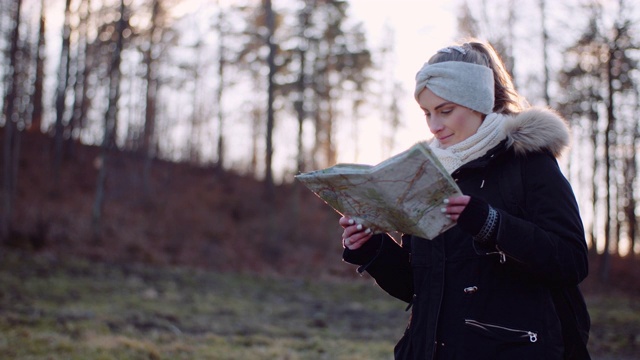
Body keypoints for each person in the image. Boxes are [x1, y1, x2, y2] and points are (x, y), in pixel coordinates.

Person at [339, 40, 591, 360]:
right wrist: (373, 248)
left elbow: (571, 261)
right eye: (427, 113)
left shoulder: (529, 163)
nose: (434, 125)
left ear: (477, 101)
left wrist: (491, 224)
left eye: (445, 111)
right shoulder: (423, 176)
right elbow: (419, 289)